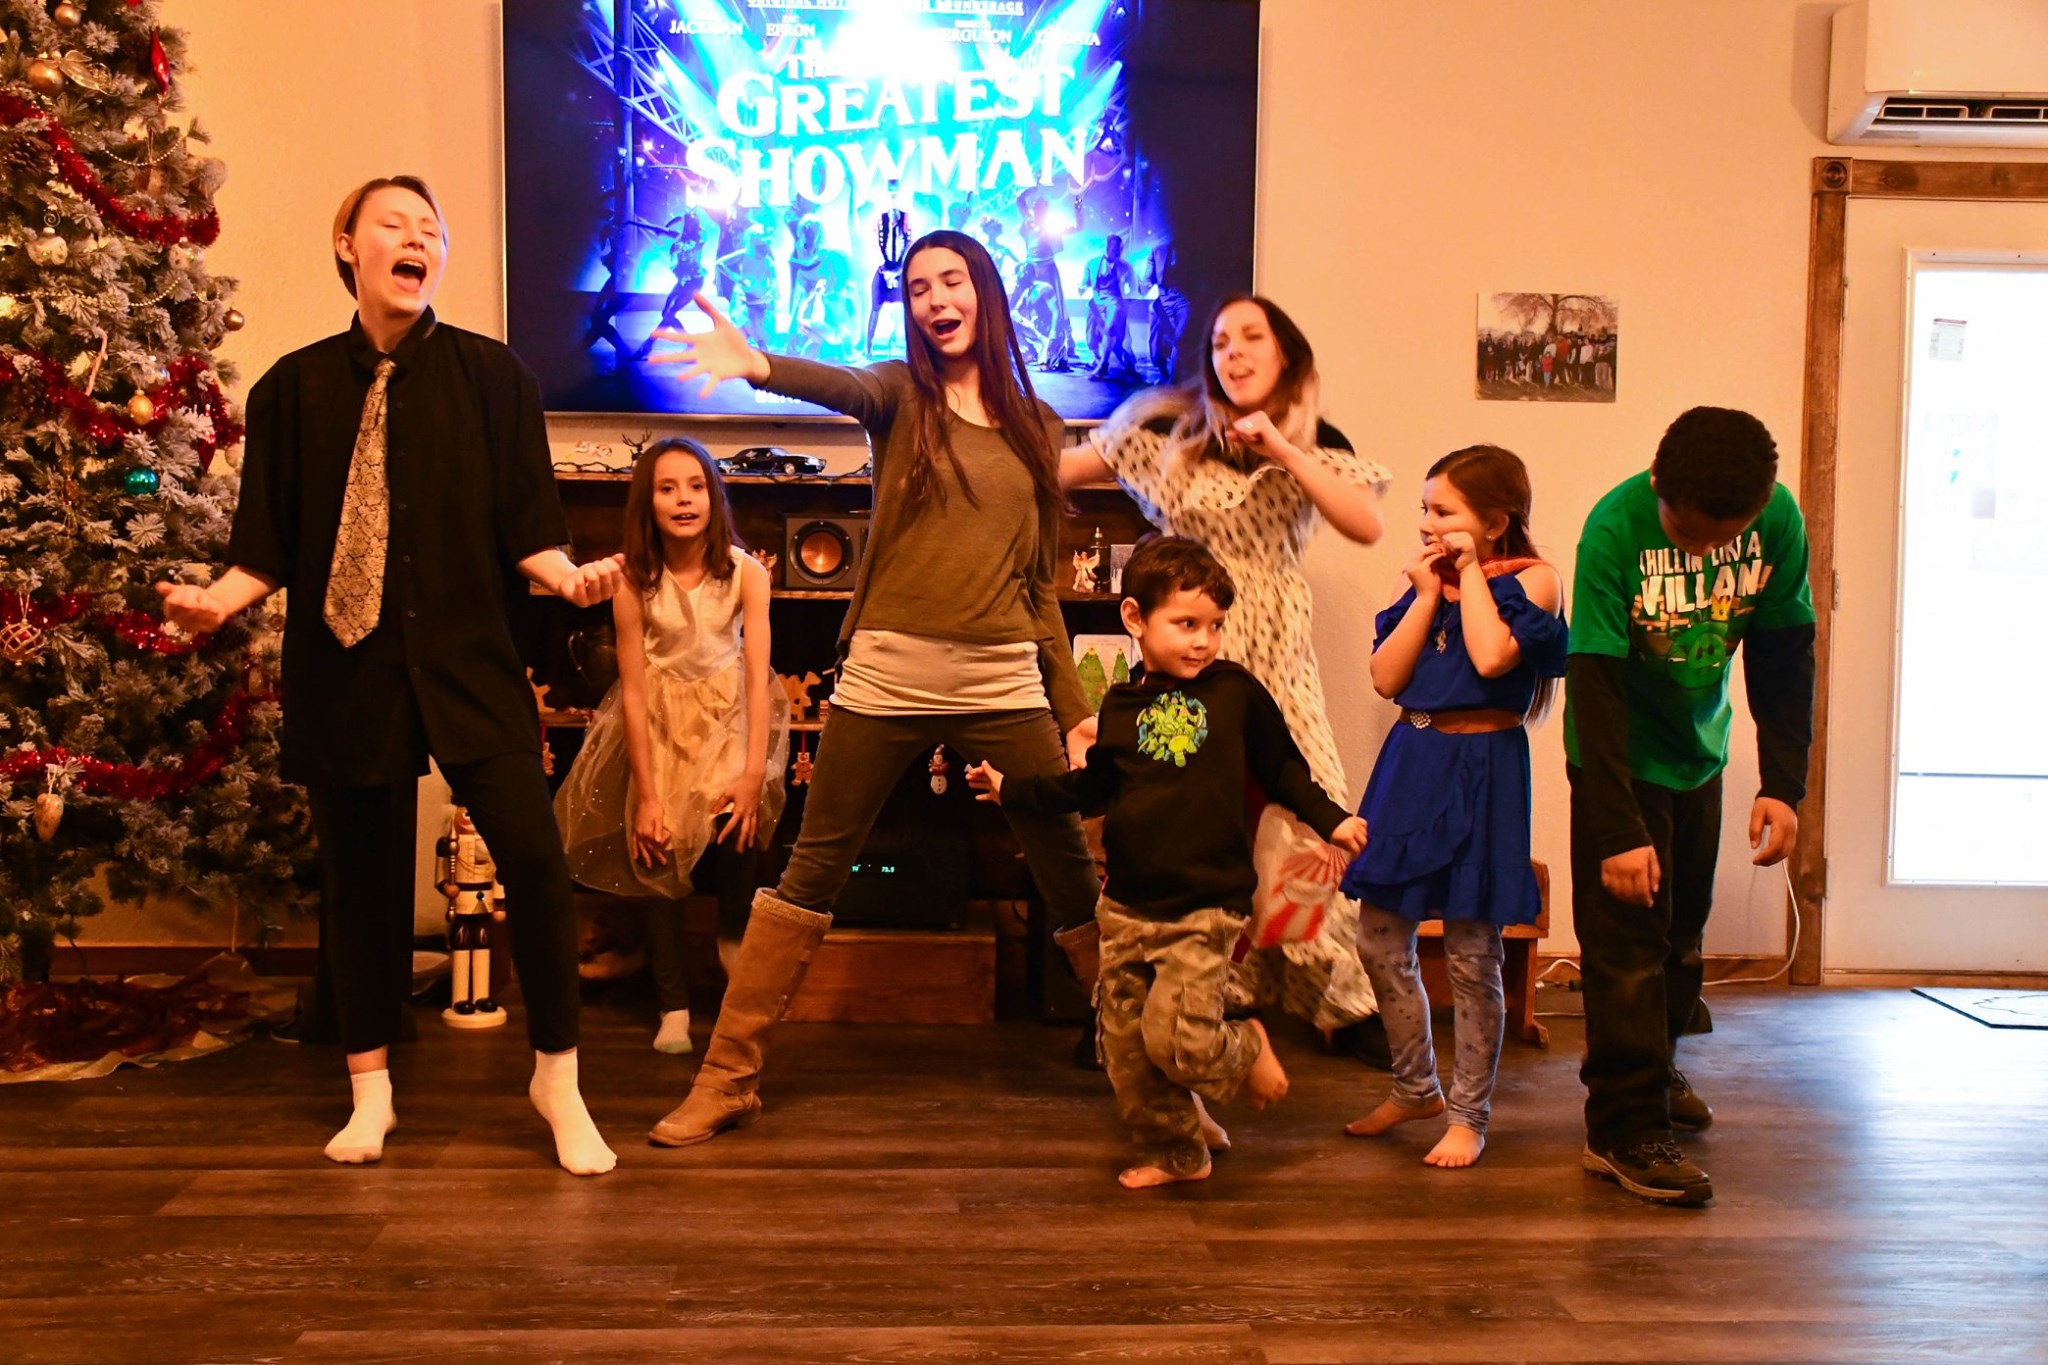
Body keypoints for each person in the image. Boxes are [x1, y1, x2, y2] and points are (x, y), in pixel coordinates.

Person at [157, 176, 623, 1175]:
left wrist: (570, 579)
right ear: (348, 245)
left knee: (536, 862)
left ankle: (557, 1079)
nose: (418, 241)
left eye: (431, 231)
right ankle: (370, 1090)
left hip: (469, 659)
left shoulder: (495, 378)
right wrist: (214, 603)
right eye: (394, 226)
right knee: (361, 888)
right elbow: (265, 547)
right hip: (345, 664)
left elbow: (529, 528)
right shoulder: (289, 390)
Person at [643, 230, 1103, 1145]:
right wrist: (757, 364)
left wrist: (1076, 712)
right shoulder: (900, 395)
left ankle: (1151, 1063)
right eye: (919, 287)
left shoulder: (1039, 426)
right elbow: (840, 386)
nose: (936, 299)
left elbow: (1037, 585)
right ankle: (728, 1077)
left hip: (1005, 680)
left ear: (985, 293)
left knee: (1069, 873)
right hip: (888, 671)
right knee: (811, 868)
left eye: (952, 281)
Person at [968, 537, 1367, 1189]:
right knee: (1126, 1048)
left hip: (1205, 906)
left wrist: (1334, 820)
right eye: (1186, 624)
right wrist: (1012, 789)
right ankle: (1179, 1150)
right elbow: (1091, 788)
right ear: (1135, 617)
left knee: (1180, 1039)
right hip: (1126, 907)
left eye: (1214, 625)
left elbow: (1285, 770)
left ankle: (1246, 1048)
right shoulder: (1121, 707)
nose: (1203, 641)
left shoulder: (1234, 692)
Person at [1060, 294, 1392, 1059]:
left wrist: (1283, 447)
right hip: (1186, 642)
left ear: (1287, 355)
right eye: (1219, 341)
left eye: (1251, 337)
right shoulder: (1174, 434)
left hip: (1275, 650)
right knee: (1172, 813)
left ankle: (1343, 1000)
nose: (1232, 352)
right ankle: (1141, 997)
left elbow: (1366, 524)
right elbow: (1063, 468)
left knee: (1304, 809)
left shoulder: (1315, 441)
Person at [1568, 406, 1814, 1207]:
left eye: (1721, 538)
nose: (1703, 552)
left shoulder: (1776, 520)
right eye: (1687, 533)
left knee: (1680, 937)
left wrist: (1782, 783)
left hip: (1698, 755)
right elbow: (1596, 687)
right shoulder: (1614, 531)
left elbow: (1783, 654)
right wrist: (1616, 829)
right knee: (1625, 946)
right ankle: (1622, 1128)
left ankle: (1656, 1065)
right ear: (1657, 483)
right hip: (1616, 760)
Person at [1340, 446, 1566, 1169]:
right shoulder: (1422, 581)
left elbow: (1494, 658)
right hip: (1411, 760)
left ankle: (1470, 1113)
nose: (1427, 524)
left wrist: (1468, 575)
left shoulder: (1534, 579)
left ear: (1495, 522)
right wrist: (1426, 595)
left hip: (1483, 768)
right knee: (1378, 935)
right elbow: (1386, 678)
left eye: (1444, 511)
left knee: (1472, 951)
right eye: (1425, 509)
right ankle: (1415, 1086)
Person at [552, 437, 788, 1055]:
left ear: (713, 496)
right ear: (648, 502)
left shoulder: (747, 572)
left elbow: (758, 681)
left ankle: (735, 983)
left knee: (737, 846)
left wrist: (753, 772)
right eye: (667, 488)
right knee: (657, 857)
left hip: (729, 723)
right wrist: (649, 796)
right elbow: (632, 692)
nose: (684, 499)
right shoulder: (633, 580)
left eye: (695, 486)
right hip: (659, 728)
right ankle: (672, 1005)